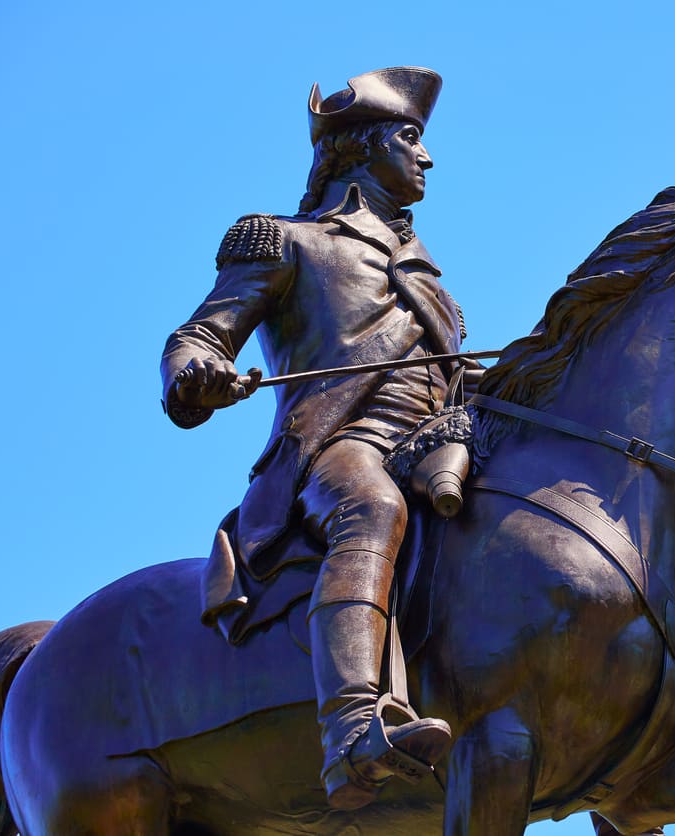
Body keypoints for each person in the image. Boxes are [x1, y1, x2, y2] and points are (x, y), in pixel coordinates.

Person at [160, 66, 468, 810]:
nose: (427, 158)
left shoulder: (429, 276)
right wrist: (199, 370)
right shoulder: (284, 241)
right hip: (339, 446)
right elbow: (197, 336)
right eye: (411, 137)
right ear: (359, 148)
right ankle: (354, 731)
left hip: (434, 449)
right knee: (372, 508)